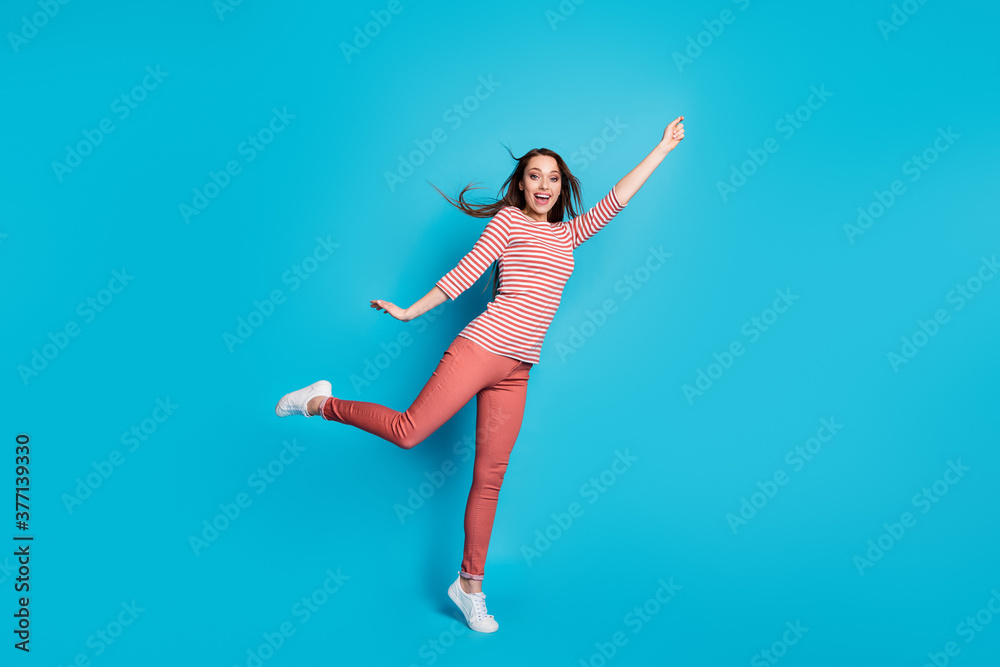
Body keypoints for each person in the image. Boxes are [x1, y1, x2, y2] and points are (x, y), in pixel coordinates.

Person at [275, 116, 686, 633]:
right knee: (409, 432)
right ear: (521, 184)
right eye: (534, 176)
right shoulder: (507, 224)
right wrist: (408, 311)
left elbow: (618, 199)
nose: (543, 185)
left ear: (562, 187)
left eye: (553, 178)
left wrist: (662, 147)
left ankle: (470, 586)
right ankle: (319, 402)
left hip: (518, 369)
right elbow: (467, 273)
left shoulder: (569, 235)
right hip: (481, 347)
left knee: (489, 478)